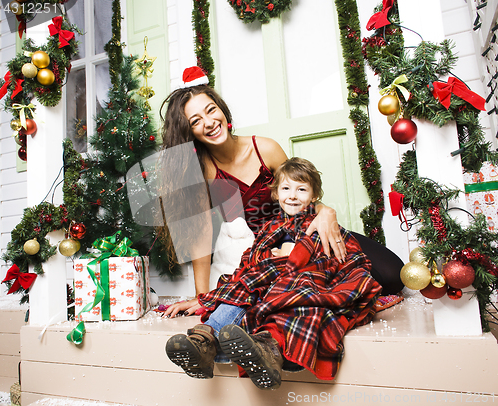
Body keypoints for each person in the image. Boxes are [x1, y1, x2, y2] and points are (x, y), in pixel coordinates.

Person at [165, 157, 382, 390]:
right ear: (276, 194)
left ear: (314, 195)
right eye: (286, 188)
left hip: (303, 277)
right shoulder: (270, 227)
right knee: (242, 287)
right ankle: (203, 342)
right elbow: (251, 259)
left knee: (302, 294)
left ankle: (268, 349)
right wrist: (270, 257)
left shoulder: (319, 222)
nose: (293, 195)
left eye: (302, 189)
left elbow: (336, 256)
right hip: (267, 276)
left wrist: (297, 253)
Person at [159, 67, 354, 318]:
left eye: (211, 110)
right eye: (195, 121)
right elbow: (201, 234)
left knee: (387, 272)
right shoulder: (201, 172)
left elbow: (302, 193)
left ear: (222, 110)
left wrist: (326, 211)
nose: (208, 123)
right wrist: (201, 297)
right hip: (258, 254)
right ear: (189, 133)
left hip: (298, 235)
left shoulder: (266, 148)